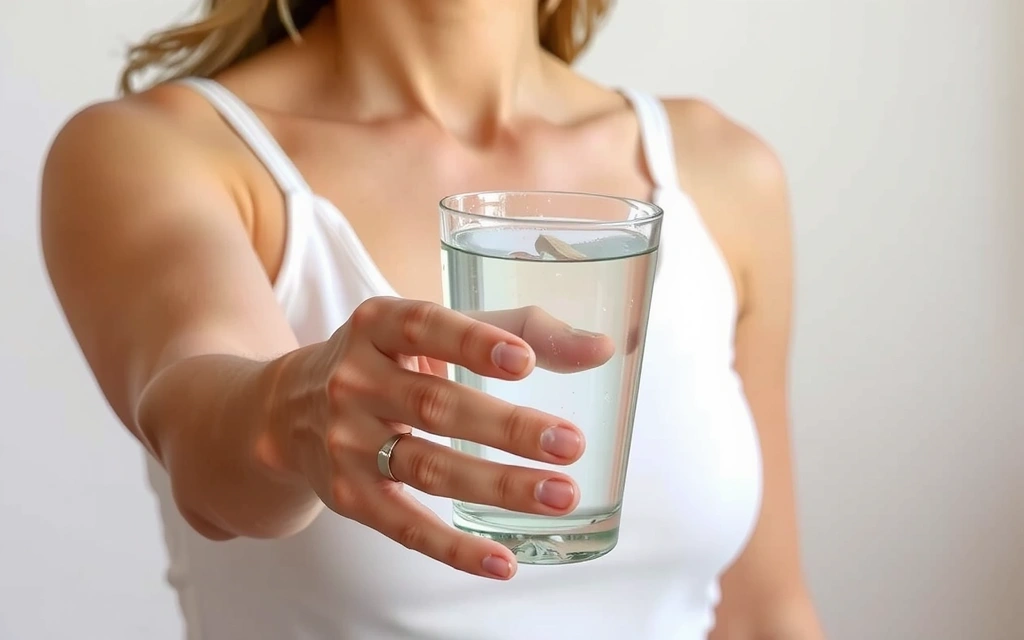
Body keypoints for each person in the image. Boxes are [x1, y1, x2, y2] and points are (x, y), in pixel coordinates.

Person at [40, 1, 825, 638]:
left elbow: (764, 614)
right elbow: (200, 432)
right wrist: (289, 412)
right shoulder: (159, 150)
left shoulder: (719, 170)